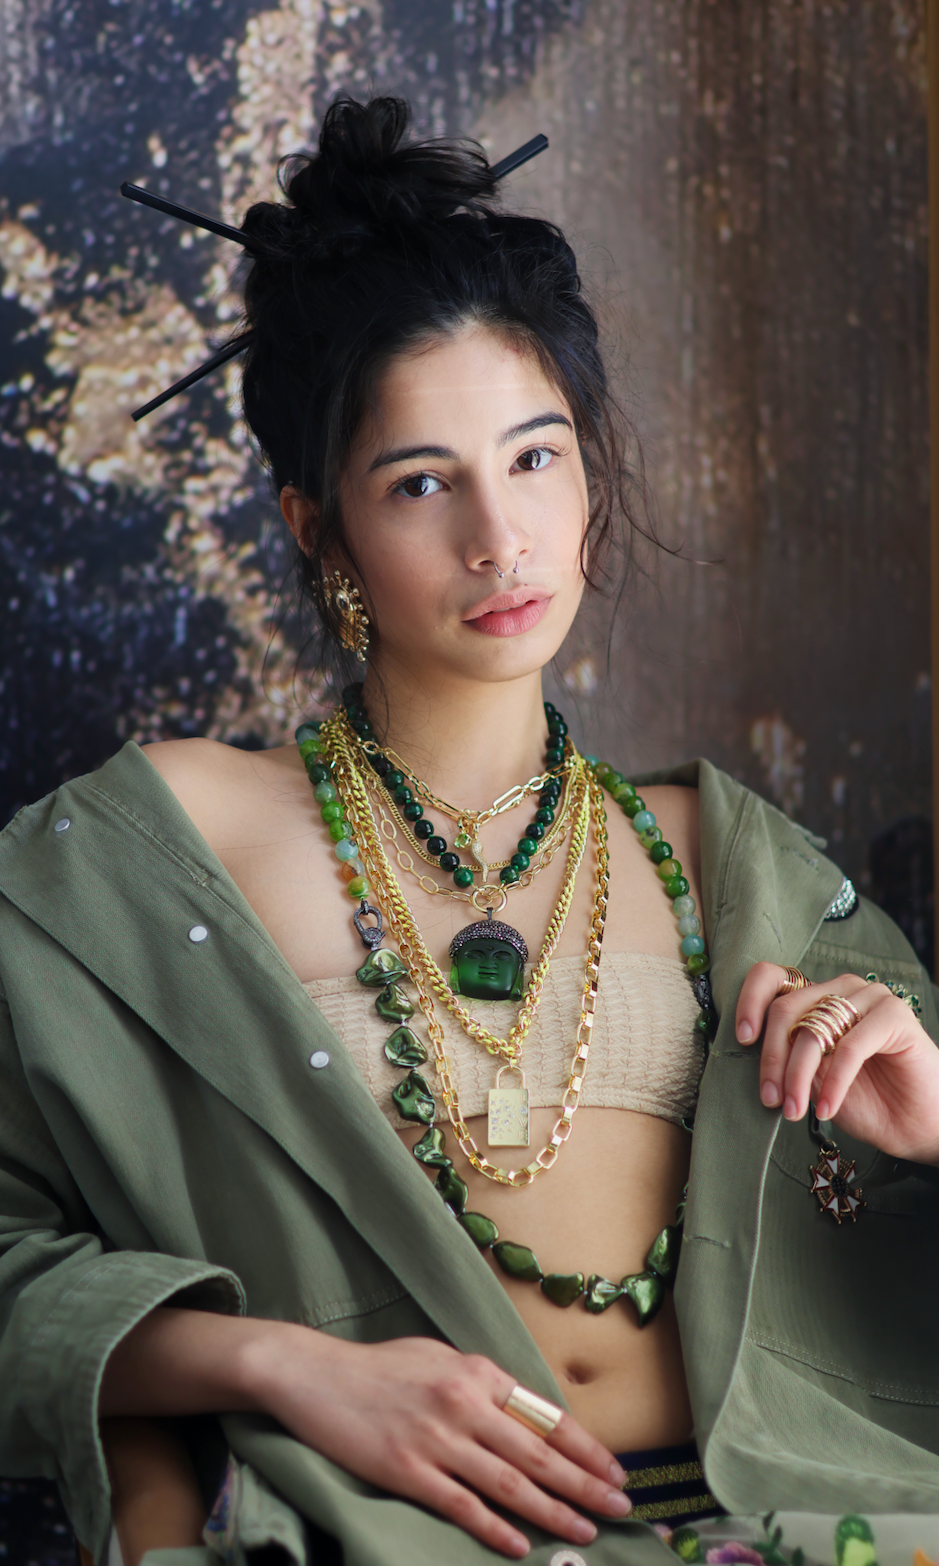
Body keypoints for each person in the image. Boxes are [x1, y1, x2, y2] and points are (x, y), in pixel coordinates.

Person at [2, 94, 939, 1566]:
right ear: (319, 529)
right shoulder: (154, 852)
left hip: (809, 1522)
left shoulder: (728, 856)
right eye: (421, 482)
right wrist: (280, 1364)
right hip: (398, 1537)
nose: (497, 541)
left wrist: (930, 1117)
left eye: (535, 456)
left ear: (589, 480)